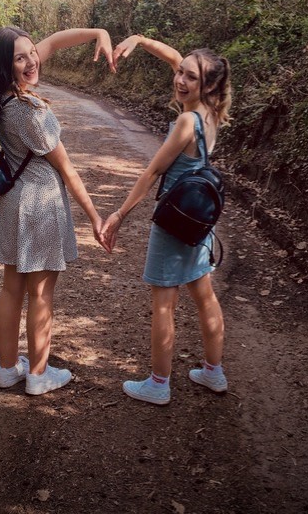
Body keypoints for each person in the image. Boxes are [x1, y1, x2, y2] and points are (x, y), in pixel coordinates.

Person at [0, 26, 114, 396]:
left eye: (30, 53)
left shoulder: (3, 97)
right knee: (41, 293)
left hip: (13, 203)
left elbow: (52, 43)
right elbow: (67, 170)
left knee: (11, 290)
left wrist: (97, 33)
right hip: (39, 204)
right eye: (20, 58)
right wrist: (95, 217)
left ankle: (8, 369)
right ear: (7, 66)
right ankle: (38, 374)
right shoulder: (31, 112)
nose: (31, 61)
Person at [102, 34, 232, 405]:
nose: (180, 80)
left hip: (174, 222)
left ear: (205, 85)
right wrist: (140, 41)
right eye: (180, 73)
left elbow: (152, 173)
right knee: (204, 296)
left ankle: (158, 384)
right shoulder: (211, 113)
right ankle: (213, 372)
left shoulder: (186, 122)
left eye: (189, 77)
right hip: (199, 224)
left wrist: (119, 213)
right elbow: (176, 56)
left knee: (164, 303)